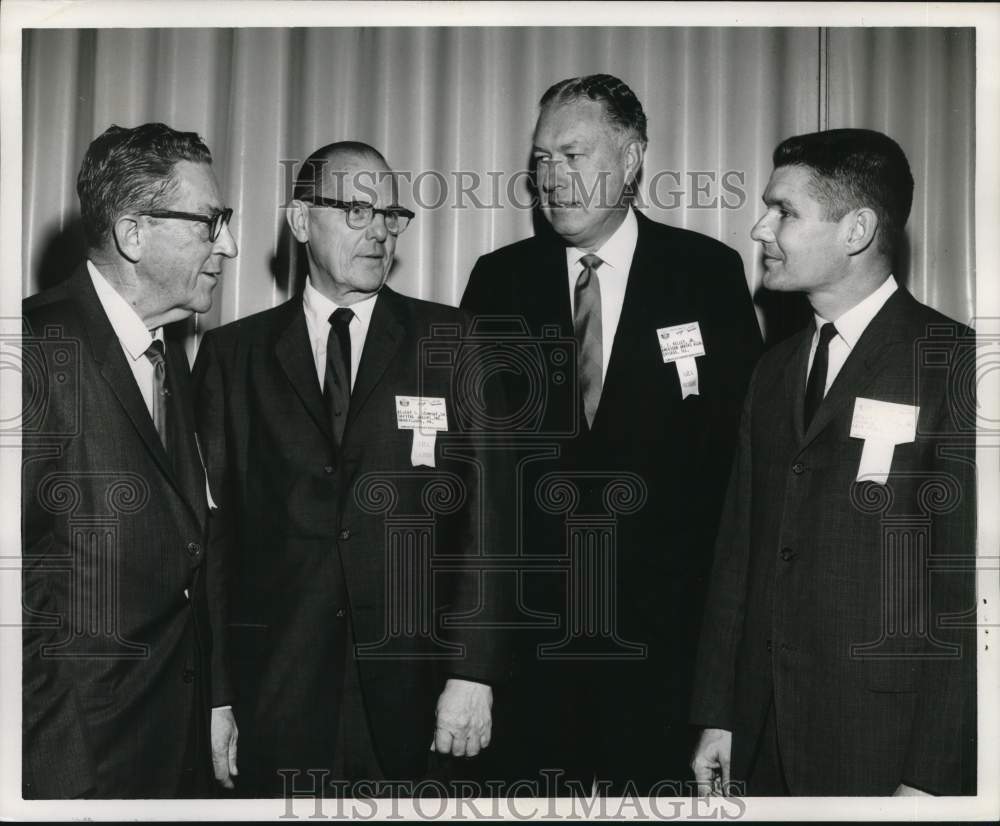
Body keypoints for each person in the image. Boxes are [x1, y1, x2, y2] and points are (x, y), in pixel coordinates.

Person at [460, 74, 762, 795]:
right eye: (541, 160)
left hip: (667, 650)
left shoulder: (707, 275)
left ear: (631, 160)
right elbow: (473, 474)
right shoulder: (499, 281)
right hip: (533, 650)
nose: (552, 178)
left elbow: (740, 467)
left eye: (573, 154)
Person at [194, 141, 510, 797]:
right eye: (356, 211)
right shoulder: (232, 357)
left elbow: (493, 523)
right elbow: (213, 543)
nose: (379, 232)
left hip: (418, 693)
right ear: (301, 220)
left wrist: (473, 673)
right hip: (276, 691)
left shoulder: (453, 343)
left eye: (390, 214)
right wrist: (217, 694)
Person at [690, 128, 977, 796]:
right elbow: (739, 556)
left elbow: (967, 598)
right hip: (760, 738)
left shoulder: (954, 366)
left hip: (881, 743)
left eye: (785, 211)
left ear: (856, 230)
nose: (760, 228)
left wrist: (932, 778)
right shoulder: (772, 371)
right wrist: (719, 717)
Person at [21, 122, 238, 797]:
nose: (226, 245)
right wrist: (59, 773)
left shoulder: (164, 348)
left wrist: (212, 700)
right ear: (133, 234)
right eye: (210, 223)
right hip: (79, 757)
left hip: (165, 742)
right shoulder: (31, 350)